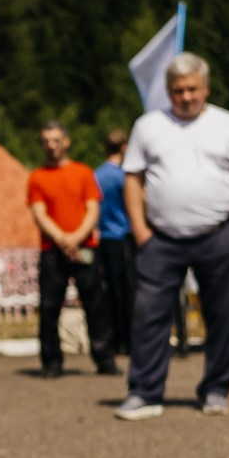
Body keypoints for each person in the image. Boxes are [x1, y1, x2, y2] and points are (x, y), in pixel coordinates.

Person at [113, 53, 229, 420]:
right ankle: (145, 392)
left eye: (193, 89)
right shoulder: (148, 126)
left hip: (217, 234)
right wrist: (141, 230)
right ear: (167, 91)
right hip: (160, 239)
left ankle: (215, 389)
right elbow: (132, 178)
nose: (186, 96)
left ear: (205, 88)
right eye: (178, 90)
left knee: (221, 316)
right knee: (149, 316)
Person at [26, 121, 115, 376]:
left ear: (66, 141)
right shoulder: (37, 177)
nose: (51, 146)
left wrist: (76, 238)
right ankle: (52, 362)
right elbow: (39, 213)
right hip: (52, 251)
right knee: (49, 307)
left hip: (84, 247)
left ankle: (104, 359)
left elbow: (93, 209)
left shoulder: (83, 172)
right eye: (46, 141)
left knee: (96, 304)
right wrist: (63, 239)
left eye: (56, 140)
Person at [94, 128, 133, 360]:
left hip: (104, 239)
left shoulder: (97, 174)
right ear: (124, 147)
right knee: (129, 293)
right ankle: (128, 341)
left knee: (110, 293)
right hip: (124, 237)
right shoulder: (124, 176)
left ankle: (115, 340)